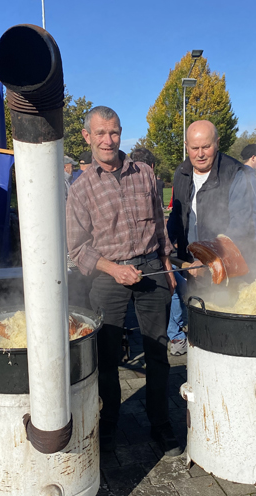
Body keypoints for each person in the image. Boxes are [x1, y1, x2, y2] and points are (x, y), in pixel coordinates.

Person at [66, 106, 182, 456]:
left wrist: (167, 262)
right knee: (107, 356)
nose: (108, 140)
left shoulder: (145, 173)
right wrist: (113, 269)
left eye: (114, 132)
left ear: (121, 133)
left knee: (158, 351)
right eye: (100, 133)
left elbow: (160, 224)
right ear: (88, 137)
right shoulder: (81, 188)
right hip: (108, 276)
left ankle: (160, 423)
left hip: (151, 270)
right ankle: (109, 426)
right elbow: (77, 248)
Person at [169, 120, 255, 277]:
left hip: (224, 268)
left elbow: (240, 225)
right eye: (194, 148)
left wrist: (209, 258)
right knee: (189, 301)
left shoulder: (235, 173)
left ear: (217, 142)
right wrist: (165, 246)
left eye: (206, 147)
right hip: (188, 266)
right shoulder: (181, 173)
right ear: (186, 145)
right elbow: (176, 215)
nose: (200, 154)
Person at [130, 148, 186, 356]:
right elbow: (159, 225)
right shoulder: (150, 184)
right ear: (152, 167)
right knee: (176, 292)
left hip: (150, 258)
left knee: (177, 290)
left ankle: (173, 333)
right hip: (151, 260)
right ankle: (176, 335)